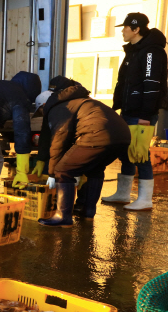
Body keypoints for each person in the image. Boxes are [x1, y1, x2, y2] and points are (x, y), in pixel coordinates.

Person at [34, 78, 131, 227]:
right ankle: (88, 211)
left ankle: (63, 217)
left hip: (98, 135)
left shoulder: (58, 108)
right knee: (95, 169)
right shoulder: (81, 100)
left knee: (63, 170)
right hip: (123, 136)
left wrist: (53, 173)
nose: (42, 114)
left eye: (40, 110)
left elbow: (58, 141)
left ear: (44, 105)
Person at [102, 13, 168, 211]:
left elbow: (152, 85)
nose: (123, 31)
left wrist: (146, 116)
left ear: (136, 29)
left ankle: (145, 199)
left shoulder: (151, 52)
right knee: (126, 152)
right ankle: (123, 193)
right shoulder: (134, 51)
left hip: (141, 113)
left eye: (125, 27)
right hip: (129, 110)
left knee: (140, 153)